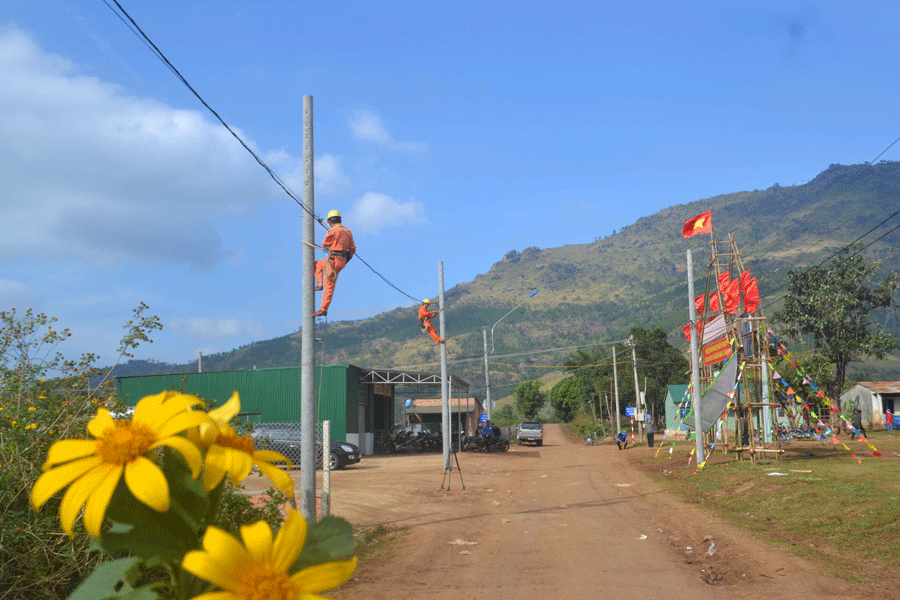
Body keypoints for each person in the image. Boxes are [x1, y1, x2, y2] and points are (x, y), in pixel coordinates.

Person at [313, 210, 356, 318]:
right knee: (317, 264)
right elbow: (352, 249)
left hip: (333, 261)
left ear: (329, 221)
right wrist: (345, 260)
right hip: (340, 262)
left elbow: (325, 243)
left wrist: (331, 246)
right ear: (339, 220)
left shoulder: (333, 230)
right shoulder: (348, 231)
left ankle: (323, 309)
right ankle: (319, 284)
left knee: (329, 286)